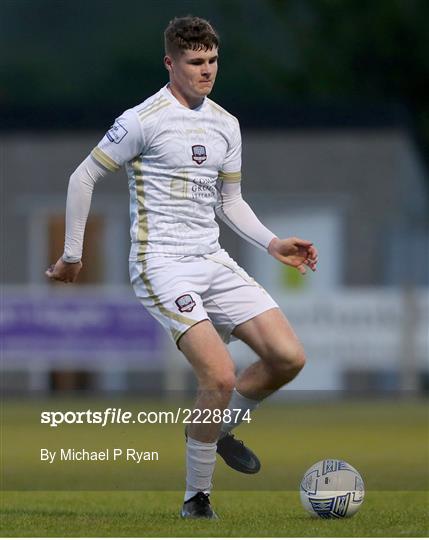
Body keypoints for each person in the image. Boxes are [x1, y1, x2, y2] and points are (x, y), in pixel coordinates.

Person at [46, 15, 318, 519]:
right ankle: (197, 500)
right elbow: (82, 177)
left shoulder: (226, 124)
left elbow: (230, 201)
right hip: (161, 263)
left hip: (212, 259)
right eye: (195, 62)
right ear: (170, 63)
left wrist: (273, 242)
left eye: (213, 61)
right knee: (217, 375)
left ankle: (216, 428)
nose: (206, 71)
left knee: (289, 358)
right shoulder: (142, 119)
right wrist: (73, 255)